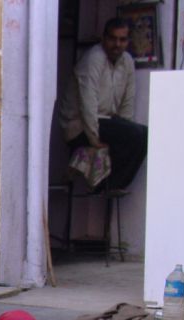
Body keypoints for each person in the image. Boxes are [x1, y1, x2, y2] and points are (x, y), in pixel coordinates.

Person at [58, 17, 148, 191]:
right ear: (104, 38)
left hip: (104, 121)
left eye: (122, 40)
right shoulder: (94, 58)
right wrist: (94, 139)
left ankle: (116, 184)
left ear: (127, 42)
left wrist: (124, 127)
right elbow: (87, 103)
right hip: (78, 126)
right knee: (135, 135)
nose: (117, 44)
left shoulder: (127, 61)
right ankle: (109, 185)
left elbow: (127, 103)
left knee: (143, 135)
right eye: (113, 39)